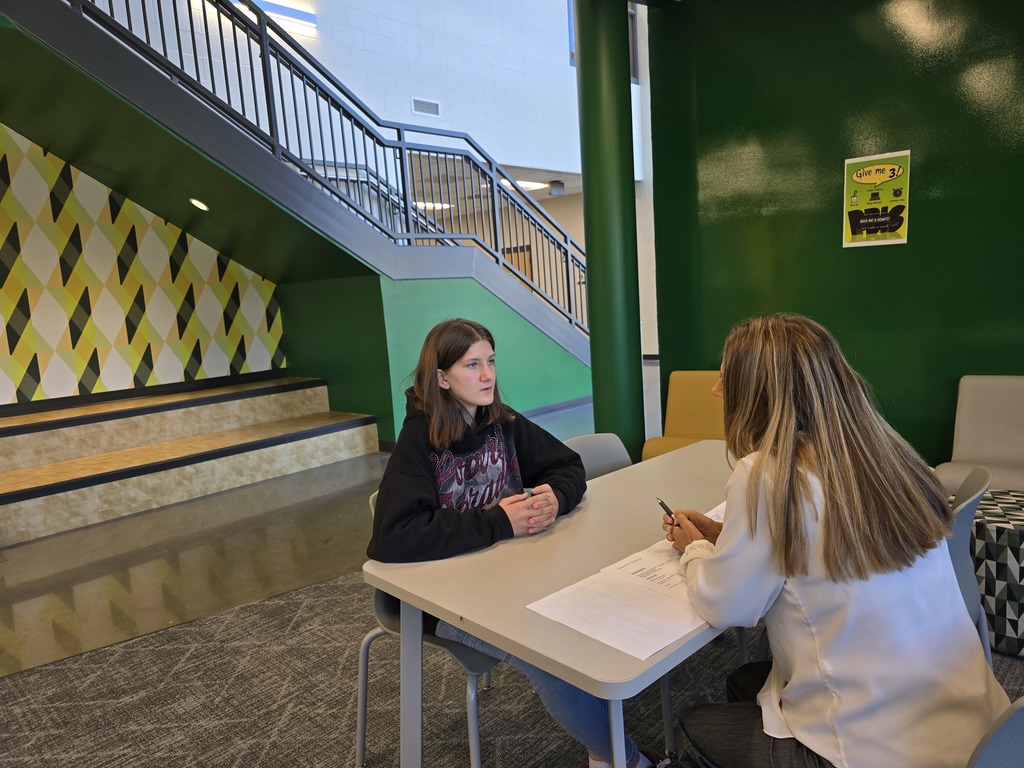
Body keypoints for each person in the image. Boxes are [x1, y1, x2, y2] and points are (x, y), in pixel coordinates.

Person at [661, 314, 1010, 768]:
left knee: (693, 724)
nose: (715, 390)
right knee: (747, 681)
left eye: (726, 378)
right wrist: (727, 537)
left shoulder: (767, 476)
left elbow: (731, 608)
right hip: (976, 729)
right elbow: (821, 544)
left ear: (756, 392)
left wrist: (695, 551)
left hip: (875, 749)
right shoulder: (890, 456)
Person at [368, 318, 664, 768]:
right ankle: (627, 759)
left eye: (490, 361)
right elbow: (392, 537)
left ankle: (604, 754)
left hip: (510, 577)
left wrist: (555, 499)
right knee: (553, 656)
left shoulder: (500, 422)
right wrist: (499, 523)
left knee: (592, 617)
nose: (487, 375)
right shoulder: (418, 441)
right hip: (440, 599)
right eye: (472, 365)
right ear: (442, 378)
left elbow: (567, 465)